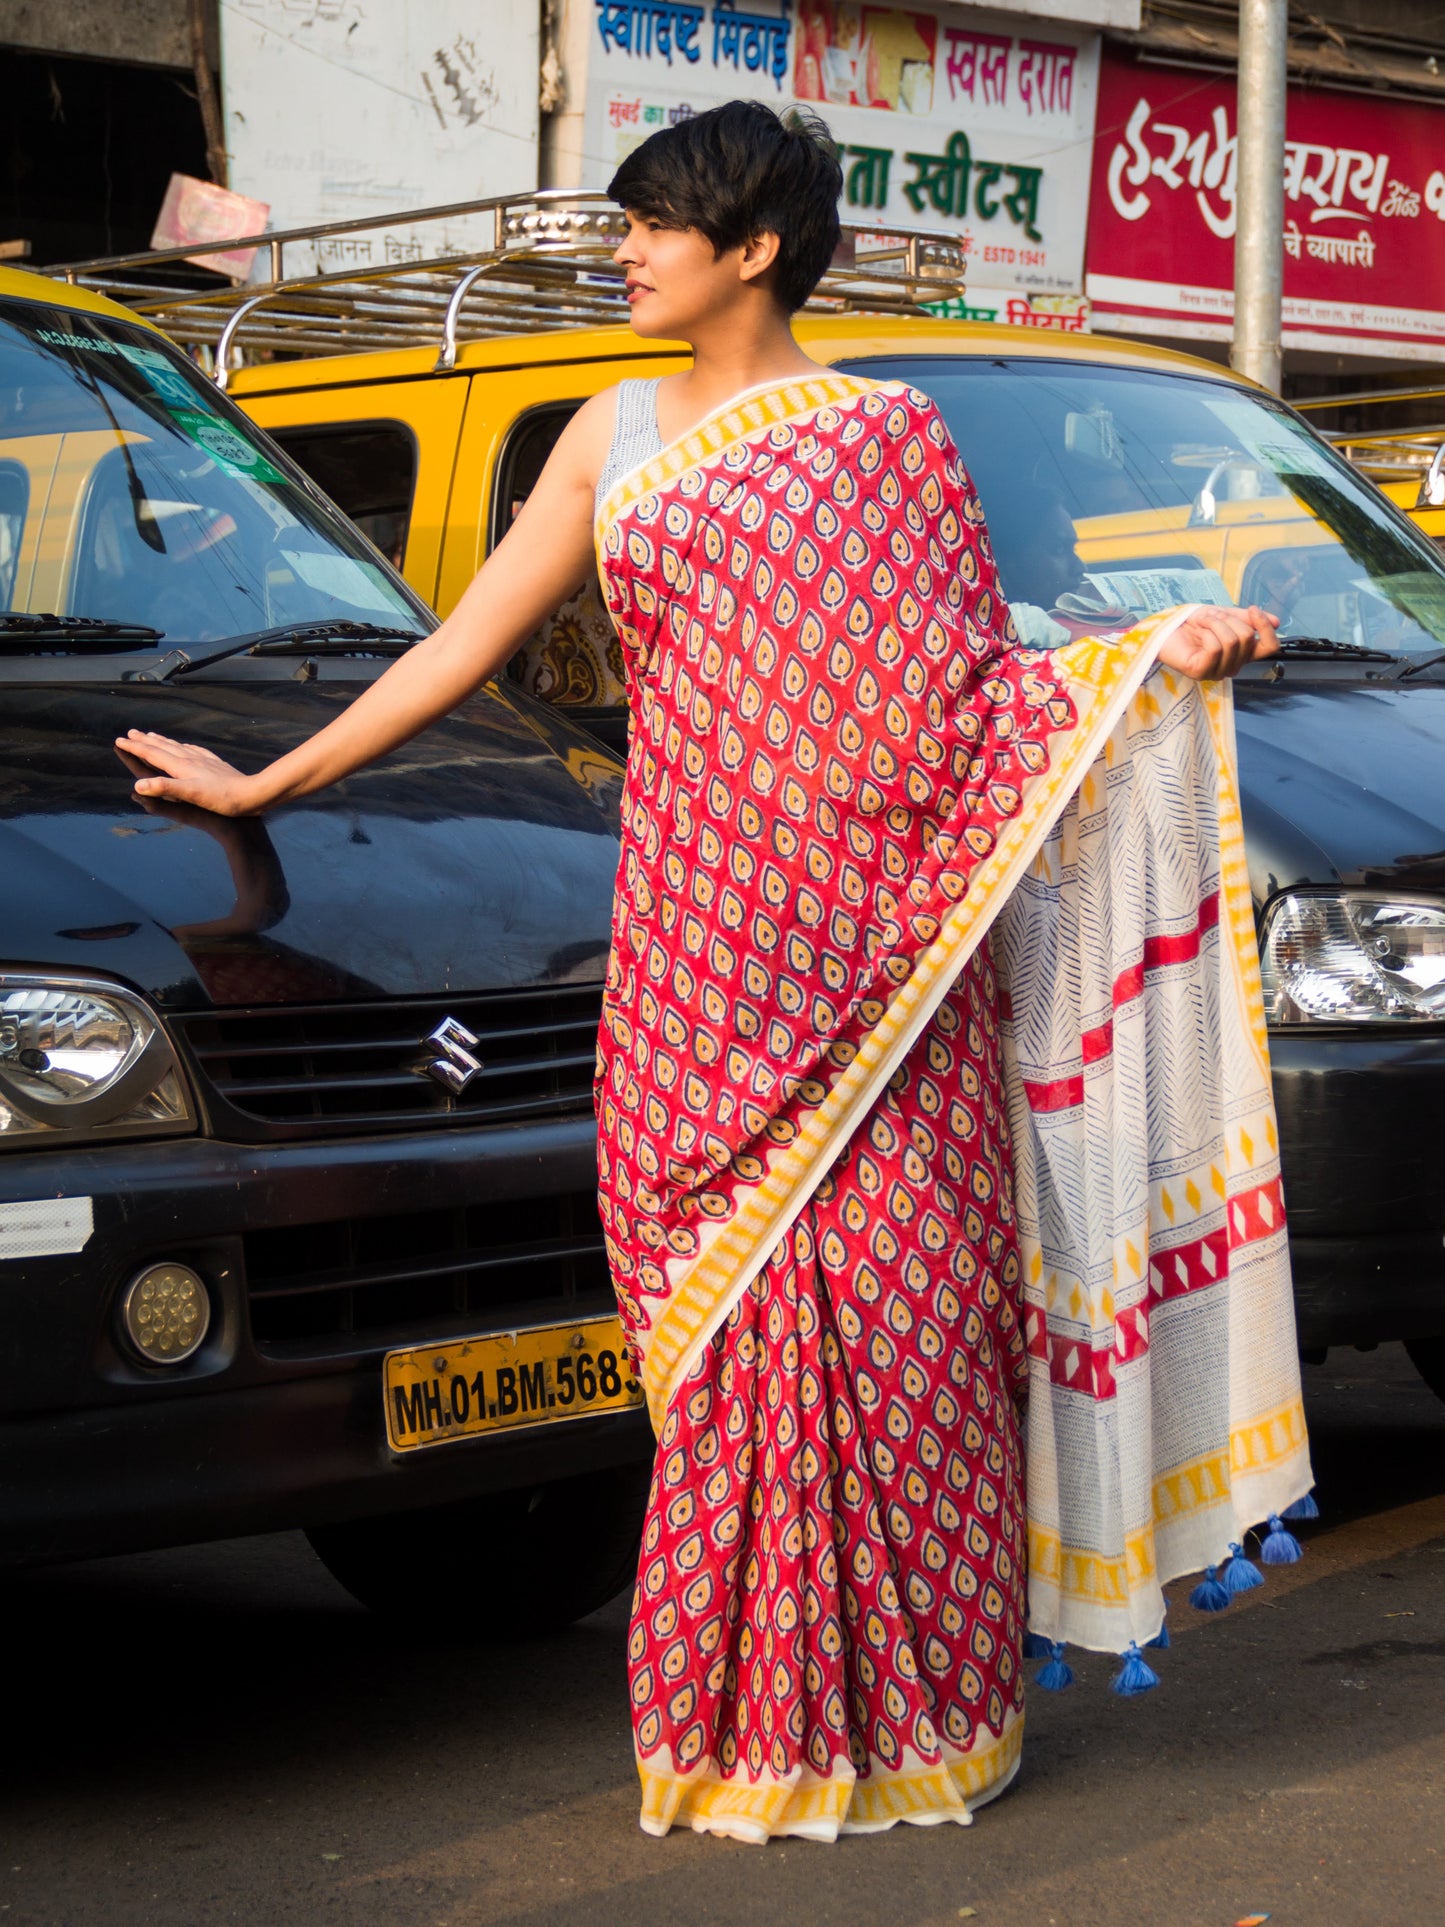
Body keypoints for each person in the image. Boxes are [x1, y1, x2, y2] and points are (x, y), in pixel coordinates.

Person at [117, 102, 1306, 1844]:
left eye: (651, 225)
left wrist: (1147, 657)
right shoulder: (607, 433)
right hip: (694, 965)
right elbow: (463, 640)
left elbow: (961, 706)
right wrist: (268, 778)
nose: (623, 252)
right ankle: (744, 1728)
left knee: (902, 1334)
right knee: (730, 1339)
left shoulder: (884, 440)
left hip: (880, 973)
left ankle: (922, 1724)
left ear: (750, 248)